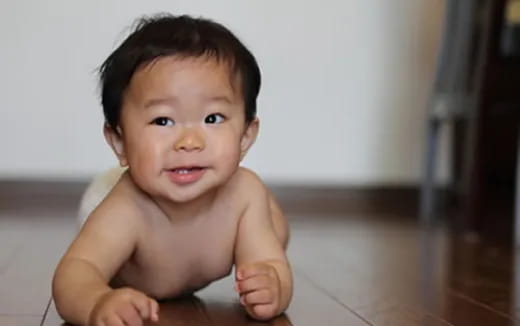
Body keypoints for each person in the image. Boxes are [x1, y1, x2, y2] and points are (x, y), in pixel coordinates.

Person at [52, 14, 292, 326]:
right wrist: (96, 301)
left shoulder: (243, 194)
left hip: (245, 204)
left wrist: (273, 285)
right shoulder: (126, 208)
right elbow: (75, 272)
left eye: (213, 118)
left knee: (273, 225)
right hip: (104, 194)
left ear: (246, 136)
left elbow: (270, 264)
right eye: (163, 121)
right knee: (98, 228)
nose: (189, 142)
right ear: (120, 143)